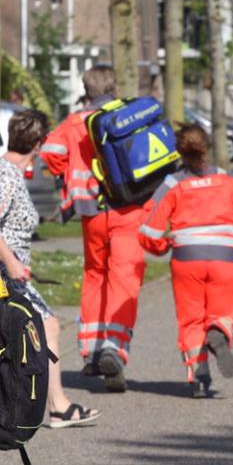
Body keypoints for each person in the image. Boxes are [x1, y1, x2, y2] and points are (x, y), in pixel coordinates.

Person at [0, 108, 99, 427]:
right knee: (47, 325)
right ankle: (56, 406)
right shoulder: (4, 173)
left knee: (43, 327)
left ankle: (52, 404)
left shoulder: (1, 168)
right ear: (38, 143)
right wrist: (11, 262)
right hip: (3, 275)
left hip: (10, 272)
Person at [41, 65, 145, 392]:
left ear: (85, 89)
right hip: (128, 208)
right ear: (114, 85)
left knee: (94, 276)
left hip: (91, 211)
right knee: (123, 277)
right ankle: (114, 347)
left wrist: (68, 172)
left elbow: (50, 153)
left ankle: (91, 350)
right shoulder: (127, 114)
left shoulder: (74, 122)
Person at [139, 123, 233, 398]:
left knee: (191, 319)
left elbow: (149, 230)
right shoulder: (228, 181)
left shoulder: (172, 184)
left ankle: (198, 377)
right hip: (226, 259)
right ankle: (220, 331)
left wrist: (163, 247)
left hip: (186, 260)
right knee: (231, 312)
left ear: (179, 151)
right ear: (207, 146)